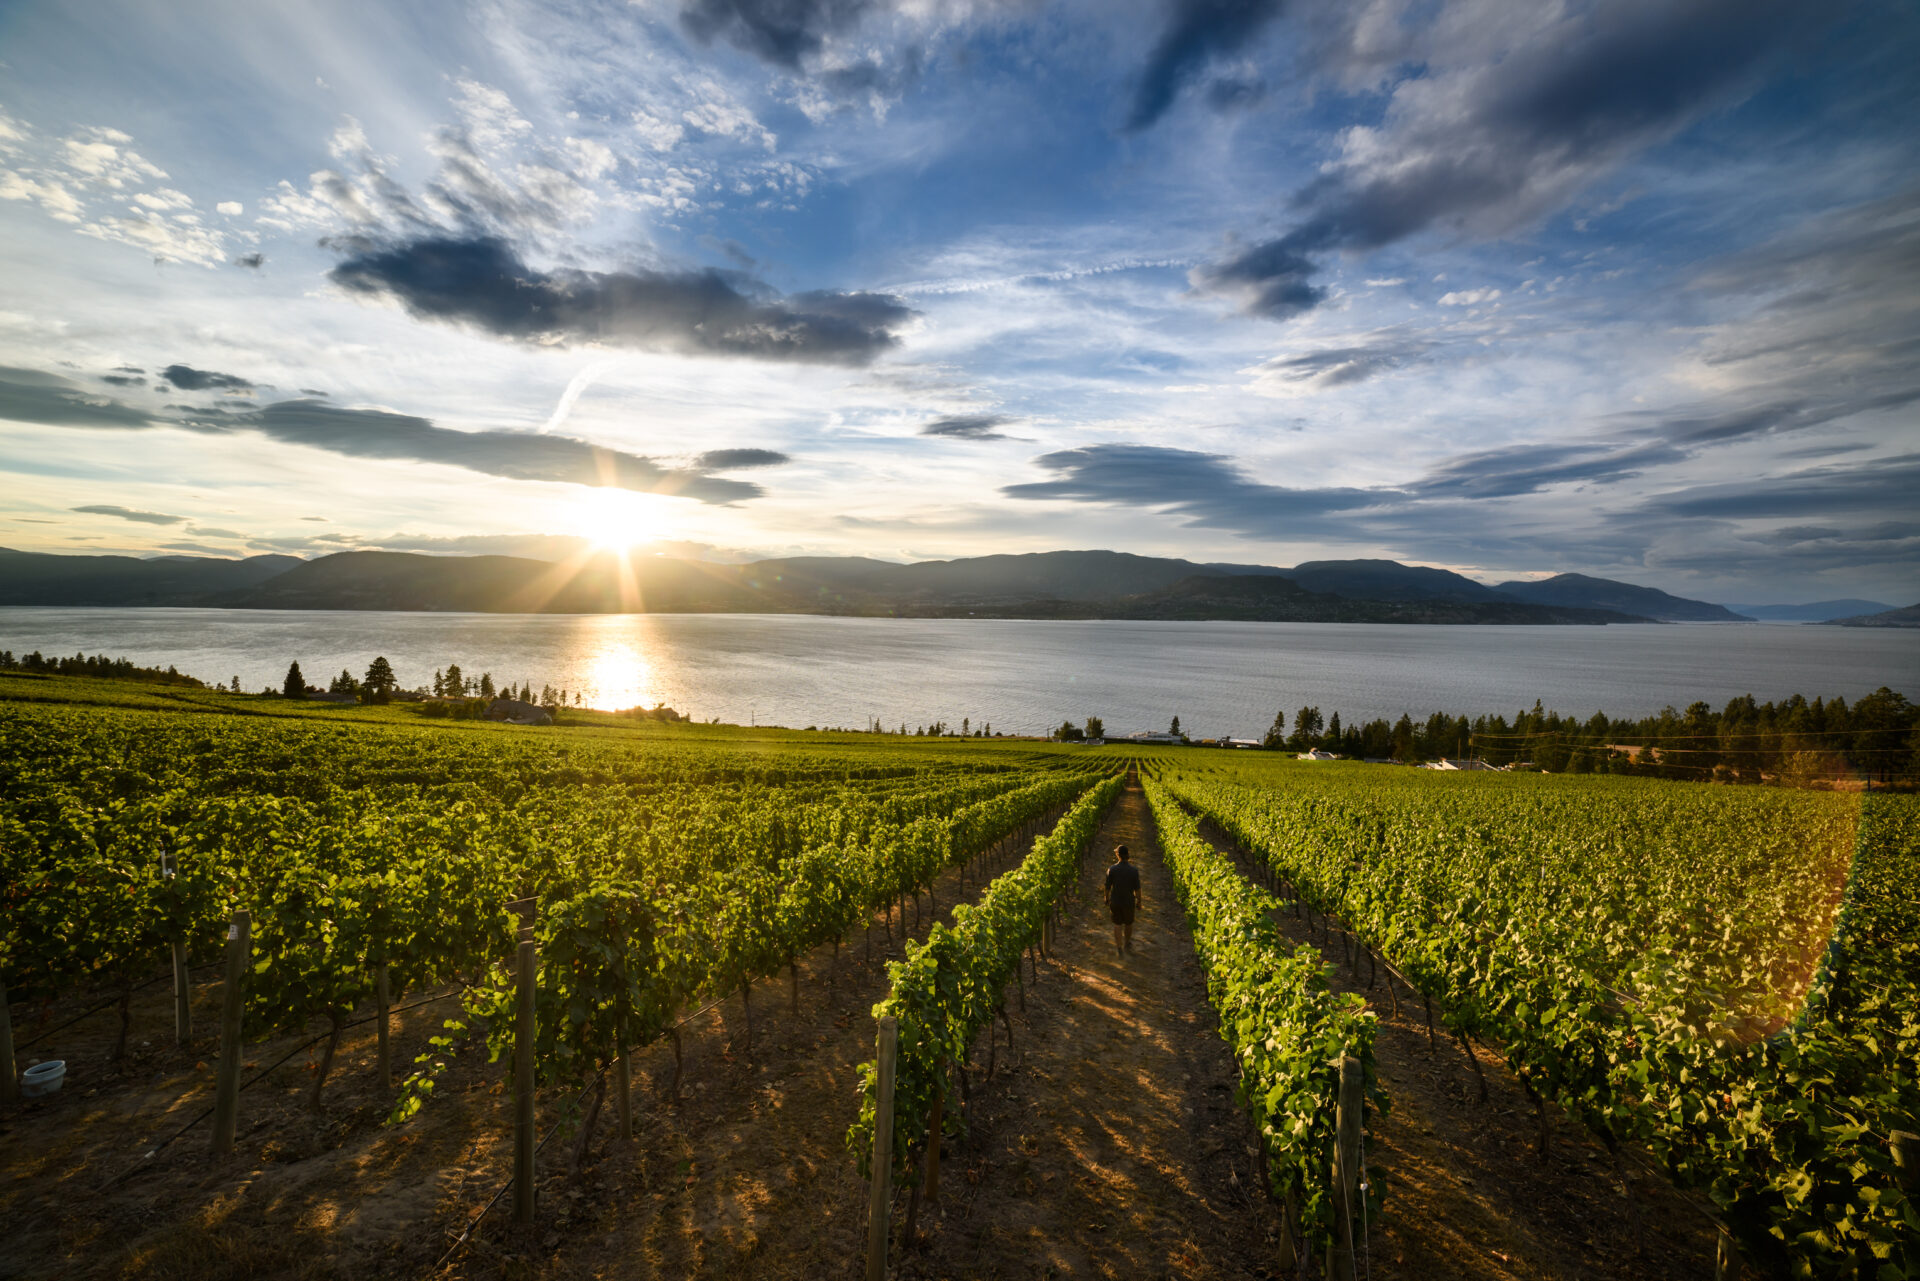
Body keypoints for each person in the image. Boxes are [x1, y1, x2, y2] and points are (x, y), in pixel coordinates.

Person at [1104, 845, 1142, 957]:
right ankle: (1126, 943)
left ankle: (1119, 947)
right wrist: (1139, 901)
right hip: (1129, 901)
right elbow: (1138, 889)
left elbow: (1107, 887)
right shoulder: (1134, 871)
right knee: (1128, 923)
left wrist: (1106, 898)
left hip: (1115, 901)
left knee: (1117, 924)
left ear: (1118, 855)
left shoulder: (1111, 869)